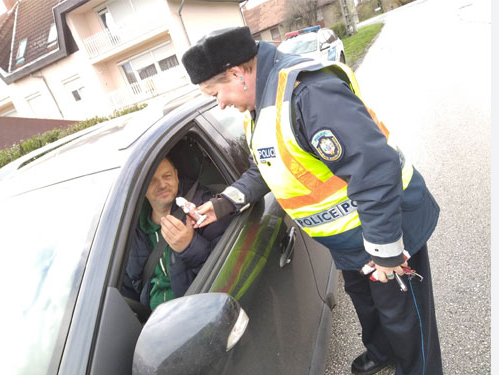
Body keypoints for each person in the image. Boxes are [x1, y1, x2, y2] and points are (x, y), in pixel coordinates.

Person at [181, 26, 443, 375]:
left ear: (236, 73)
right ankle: (383, 352)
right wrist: (223, 203)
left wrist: (386, 251)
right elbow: (266, 166)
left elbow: (374, 168)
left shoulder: (308, 92)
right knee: (368, 305)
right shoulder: (260, 107)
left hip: (387, 227)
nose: (220, 103)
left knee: (407, 324)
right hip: (349, 237)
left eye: (216, 92)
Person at [122, 156, 230, 314]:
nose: (162, 185)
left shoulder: (203, 211)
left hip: (197, 312)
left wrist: (190, 246)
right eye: (151, 180)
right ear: (142, 188)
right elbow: (127, 287)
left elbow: (226, 271)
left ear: (176, 176)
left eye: (167, 176)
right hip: (151, 321)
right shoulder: (131, 229)